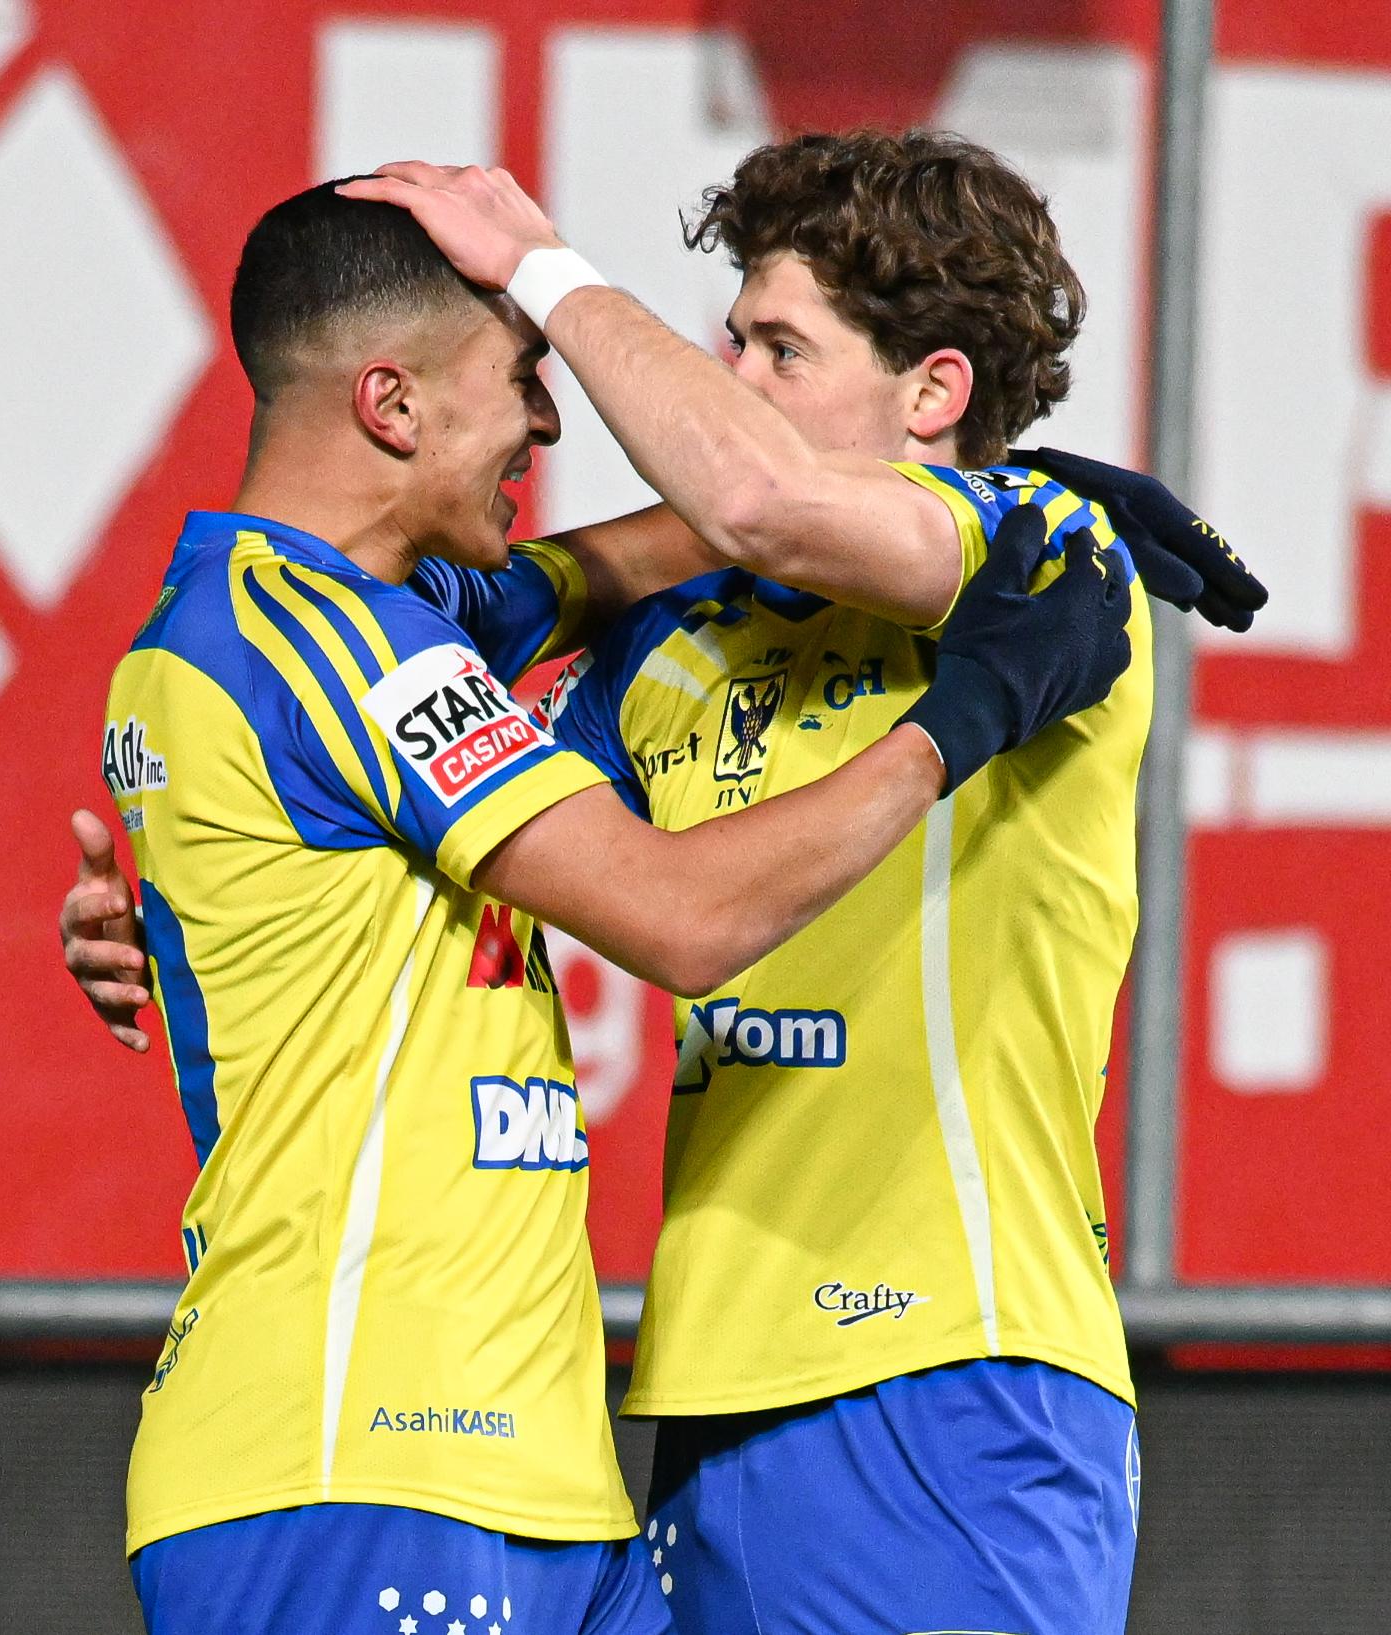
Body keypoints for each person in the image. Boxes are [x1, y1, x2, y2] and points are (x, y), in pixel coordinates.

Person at [99, 179, 1140, 1635]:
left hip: (889, 1393)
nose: (564, 419)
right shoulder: (342, 634)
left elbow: (696, 529)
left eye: (779, 353)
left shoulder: (1023, 557)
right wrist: (948, 726)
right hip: (411, 1453)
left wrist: (1049, 493)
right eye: (523, 379)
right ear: (392, 405)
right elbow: (672, 903)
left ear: (934, 391)